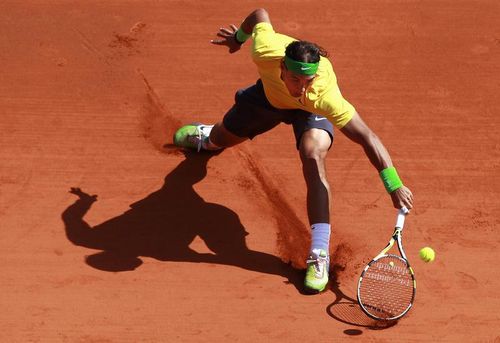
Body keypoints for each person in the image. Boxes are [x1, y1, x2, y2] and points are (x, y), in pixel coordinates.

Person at [173, 8, 414, 293]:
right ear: (282, 69)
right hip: (268, 98)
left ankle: (319, 254)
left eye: (308, 81)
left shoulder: (324, 95)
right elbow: (259, 14)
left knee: (313, 154)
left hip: (310, 113)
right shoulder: (265, 50)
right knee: (220, 138)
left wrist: (393, 184)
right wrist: (239, 37)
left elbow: (367, 137)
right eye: (296, 80)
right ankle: (209, 137)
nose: (302, 87)